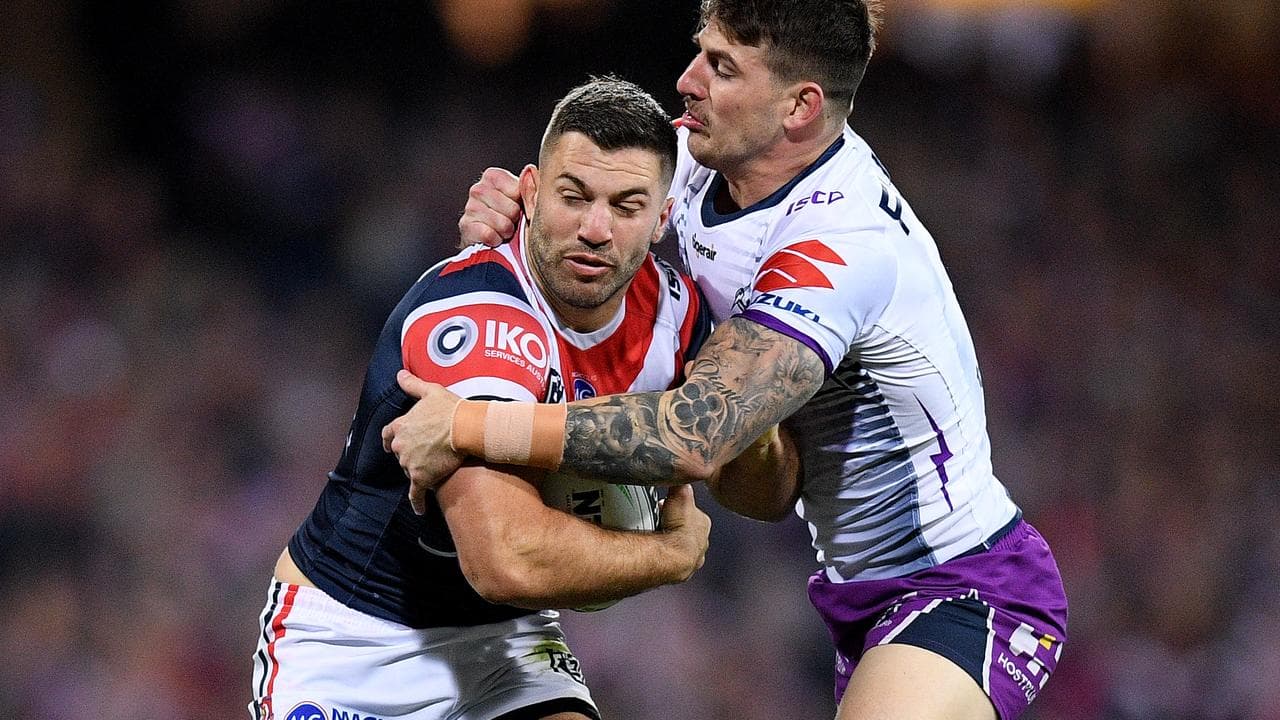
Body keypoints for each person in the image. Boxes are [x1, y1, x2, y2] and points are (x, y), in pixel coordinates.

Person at [380, 2, 1069, 720]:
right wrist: (508, 214)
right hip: (856, 589)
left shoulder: (841, 243)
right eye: (699, 52)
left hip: (968, 587)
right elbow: (761, 493)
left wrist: (471, 426)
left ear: (799, 106)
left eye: (722, 68)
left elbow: (690, 437)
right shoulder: (695, 163)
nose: (685, 81)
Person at [250, 77, 795, 720]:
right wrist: (664, 556)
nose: (595, 228)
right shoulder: (482, 312)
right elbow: (502, 559)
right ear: (530, 193)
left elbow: (769, 495)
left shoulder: (678, 317)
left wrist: (737, 414)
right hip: (356, 642)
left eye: (626, 206)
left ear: (661, 220)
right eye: (574, 196)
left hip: (505, 645)